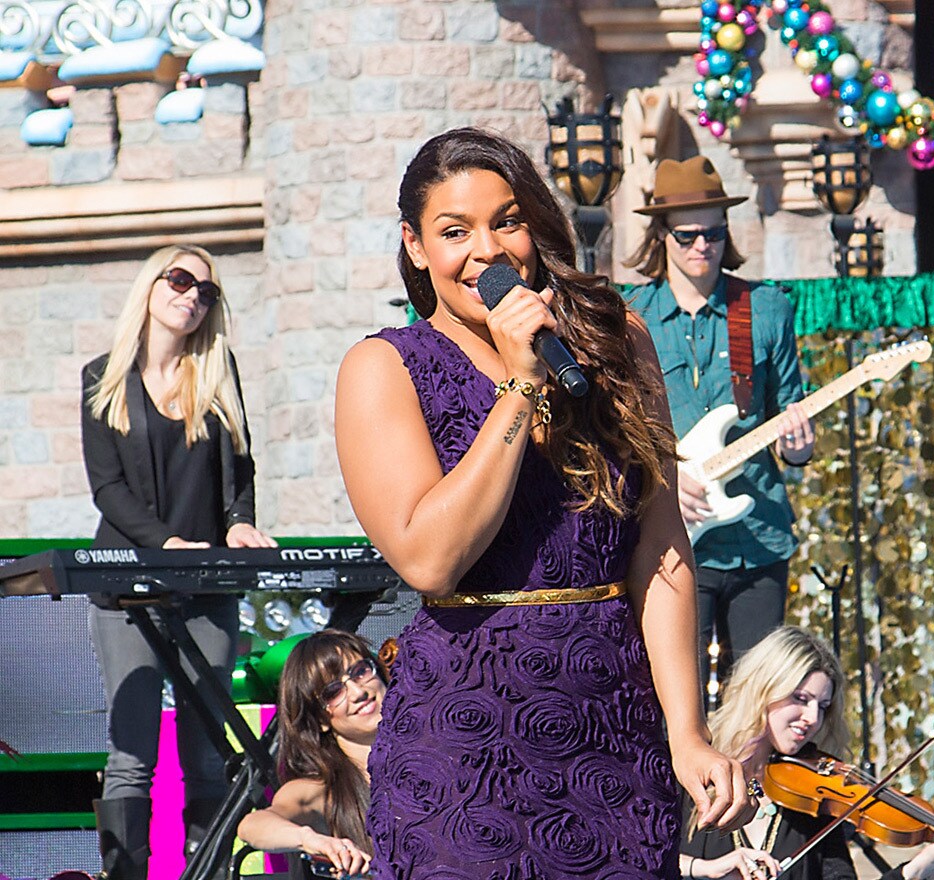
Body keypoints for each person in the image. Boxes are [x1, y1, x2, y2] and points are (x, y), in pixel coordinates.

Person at [334, 127, 753, 880]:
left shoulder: (614, 339)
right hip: (463, 743)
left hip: (611, 733)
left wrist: (687, 732)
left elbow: (659, 547)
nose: (488, 250)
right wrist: (521, 387)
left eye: (507, 220)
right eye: (454, 231)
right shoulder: (385, 366)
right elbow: (429, 558)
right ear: (416, 245)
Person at [80, 244, 275, 880]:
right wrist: (164, 543)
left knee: (209, 750)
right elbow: (107, 489)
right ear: (152, 285)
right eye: (181, 279)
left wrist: (240, 522)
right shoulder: (101, 377)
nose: (192, 296)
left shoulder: (218, 372)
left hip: (206, 585)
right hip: (126, 587)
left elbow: (238, 469)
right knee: (133, 749)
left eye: (207, 292)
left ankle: (208, 871)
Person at [624, 157, 815, 681]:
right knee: (672, 699)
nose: (702, 247)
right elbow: (617, 433)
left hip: (758, 535)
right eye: (686, 235)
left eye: (713, 233)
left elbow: (789, 422)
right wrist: (664, 477)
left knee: (756, 699)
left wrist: (798, 445)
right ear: (660, 235)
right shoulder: (629, 316)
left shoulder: (766, 307)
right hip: (668, 538)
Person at [680, 626, 934, 880]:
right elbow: (637, 854)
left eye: (822, 706)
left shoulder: (815, 799)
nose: (813, 718)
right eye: (800, 698)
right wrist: (706, 868)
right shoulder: (695, 764)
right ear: (763, 689)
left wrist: (926, 861)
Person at [236, 630, 383, 878]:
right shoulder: (320, 787)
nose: (359, 693)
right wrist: (310, 839)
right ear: (319, 719)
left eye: (360, 672)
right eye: (333, 692)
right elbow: (253, 825)